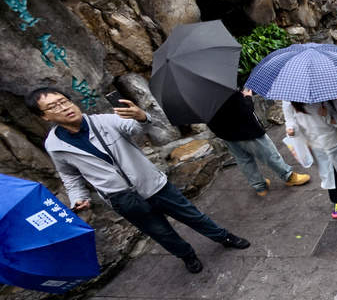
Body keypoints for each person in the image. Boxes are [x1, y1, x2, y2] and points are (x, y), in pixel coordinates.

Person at [26, 88, 250, 274]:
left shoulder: (104, 121)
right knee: (160, 232)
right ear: (44, 117)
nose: (64, 107)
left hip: (153, 184)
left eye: (64, 101)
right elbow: (70, 175)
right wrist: (79, 198)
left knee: (192, 215)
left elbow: (134, 128)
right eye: (53, 106)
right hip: (121, 198)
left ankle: (224, 237)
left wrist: (140, 116)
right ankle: (187, 256)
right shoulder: (55, 145)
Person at [208, 88, 310, 196]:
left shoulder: (198, 98)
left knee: (244, 160)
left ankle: (260, 187)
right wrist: (247, 97)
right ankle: (288, 176)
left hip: (226, 134)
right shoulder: (223, 89)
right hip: (246, 130)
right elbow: (246, 110)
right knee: (269, 154)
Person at [282, 100, 337, 219]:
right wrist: (291, 130)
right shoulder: (289, 99)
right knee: (327, 173)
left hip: (333, 138)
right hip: (315, 142)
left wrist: (327, 114)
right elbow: (289, 120)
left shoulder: (322, 93)